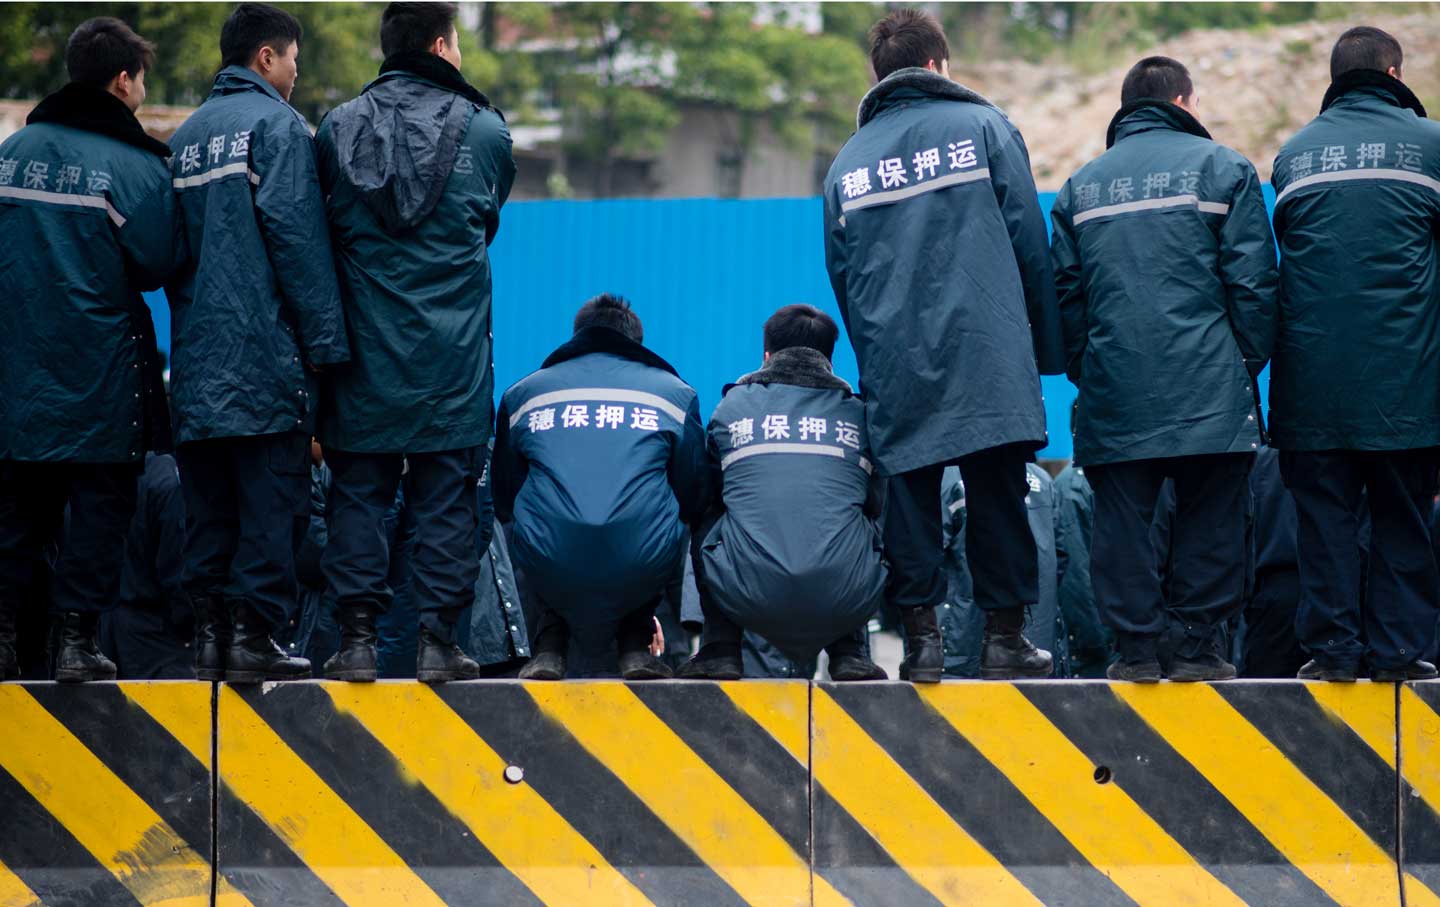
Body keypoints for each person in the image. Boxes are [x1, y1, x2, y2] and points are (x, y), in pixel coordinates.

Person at [823, 9, 1064, 683]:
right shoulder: (984, 127)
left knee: (910, 497)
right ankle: (1004, 639)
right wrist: (1043, 349)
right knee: (998, 493)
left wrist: (873, 354)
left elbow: (842, 273)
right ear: (936, 66)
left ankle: (922, 644)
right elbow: (1027, 241)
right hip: (986, 345)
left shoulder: (848, 161)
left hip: (896, 357)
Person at [1049, 55, 1279, 682]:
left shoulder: (1081, 188)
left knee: (1122, 521)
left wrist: (1090, 367)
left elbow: (1066, 300)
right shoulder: (1226, 169)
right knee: (1212, 517)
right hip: (1210, 385)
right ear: (1184, 102)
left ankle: (1136, 652)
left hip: (1115, 388)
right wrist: (1238, 366)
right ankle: (1196, 649)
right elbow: (1254, 286)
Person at [316, 1, 516, 684]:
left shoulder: (335, 128)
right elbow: (485, 222)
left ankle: (357, 642)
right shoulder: (486, 132)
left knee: (358, 494)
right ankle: (438, 641)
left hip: (363, 353)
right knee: (446, 498)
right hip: (450, 356)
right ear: (439, 45)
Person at [167, 3, 348, 684]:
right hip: (267, 361)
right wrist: (327, 351)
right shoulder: (277, 127)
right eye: (294, 59)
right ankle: (255, 635)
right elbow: (300, 247)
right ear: (267, 58)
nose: (297, 74)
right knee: (273, 504)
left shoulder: (185, 138)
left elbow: (166, 251)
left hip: (197, 364)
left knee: (208, 507)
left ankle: (208, 638)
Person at [0, 18, 176, 682]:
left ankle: (4, 636)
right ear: (123, 79)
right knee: (102, 509)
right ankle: (77, 642)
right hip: (101, 378)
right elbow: (157, 262)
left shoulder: (11, 154)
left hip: (16, 377)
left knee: (16, 512)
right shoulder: (134, 167)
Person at [1269, 26, 1440, 682]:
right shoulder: (1430, 147)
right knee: (1402, 516)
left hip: (1311, 387)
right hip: (1406, 385)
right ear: (1394, 74)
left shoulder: (1294, 156)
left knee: (1325, 521)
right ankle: (1400, 652)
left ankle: (1332, 652)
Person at [493, 295, 708, 680]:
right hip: (640, 560)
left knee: (534, 522)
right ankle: (634, 646)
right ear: (635, 342)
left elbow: (505, 496)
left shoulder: (523, 395)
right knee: (663, 519)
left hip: (549, 558)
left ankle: (549, 646)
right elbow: (692, 492)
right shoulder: (675, 395)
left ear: (579, 335)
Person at [678, 304, 888, 681]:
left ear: (766, 356)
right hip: (846, 595)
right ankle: (849, 653)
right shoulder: (859, 415)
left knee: (706, 511)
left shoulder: (733, 408)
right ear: (828, 360)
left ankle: (720, 648)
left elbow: (707, 495)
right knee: (862, 514)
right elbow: (876, 502)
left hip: (746, 593)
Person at [102, 454, 192, 679]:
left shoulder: (98, 471)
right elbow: (178, 571)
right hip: (159, 641)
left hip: (103, 630)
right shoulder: (168, 477)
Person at [1239, 446, 1306, 677]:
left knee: (1264, 702)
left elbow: (1243, 530)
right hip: (1336, 594)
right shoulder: (1345, 458)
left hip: (1272, 593)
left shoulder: (1259, 459)